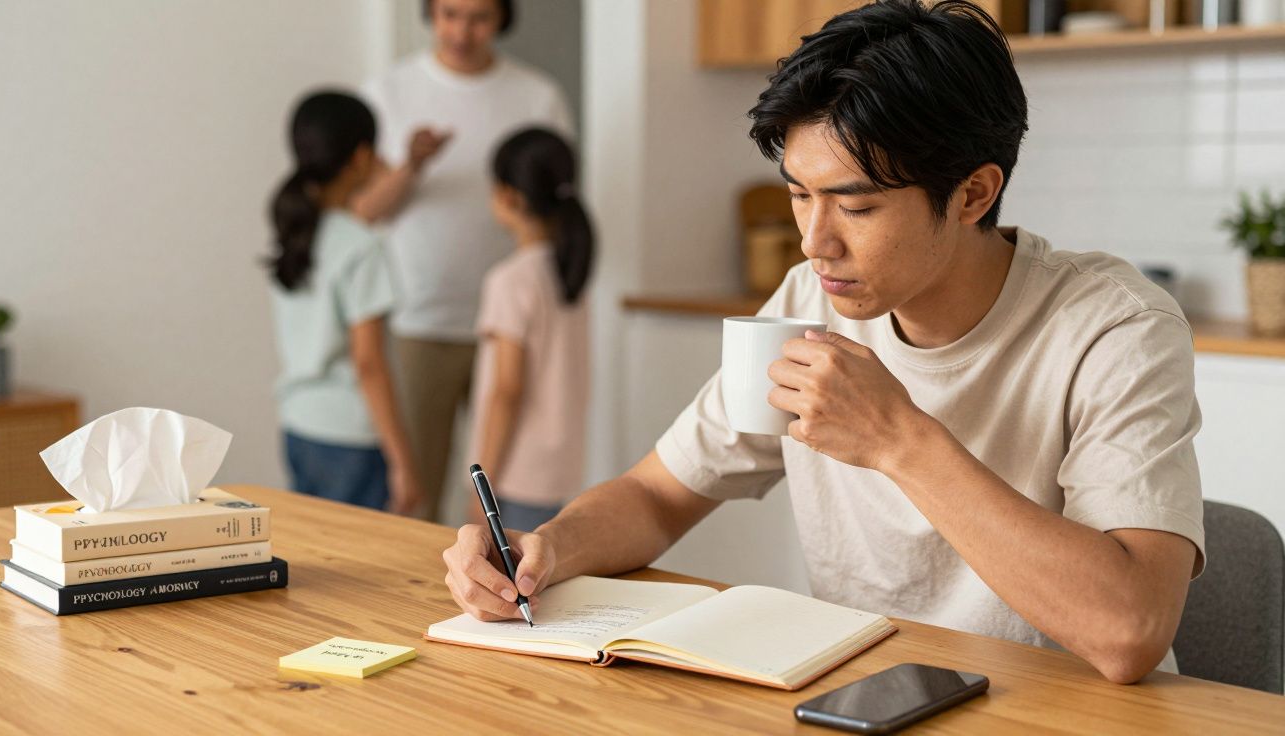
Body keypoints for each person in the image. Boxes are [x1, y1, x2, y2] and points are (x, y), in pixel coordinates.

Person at [441, 0, 1206, 685]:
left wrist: (899, 440)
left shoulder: (1115, 327)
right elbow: (657, 494)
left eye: (857, 208)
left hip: (1062, 711)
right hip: (869, 694)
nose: (814, 242)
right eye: (799, 195)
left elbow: (1129, 632)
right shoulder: (810, 300)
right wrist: (545, 550)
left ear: (974, 193)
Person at [354, 0, 573, 522]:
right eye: (450, 14)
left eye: (478, 18)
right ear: (430, 13)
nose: (462, 31)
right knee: (414, 497)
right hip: (419, 320)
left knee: (508, 498)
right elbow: (363, 211)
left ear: (502, 19)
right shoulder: (388, 92)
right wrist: (411, 165)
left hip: (512, 330)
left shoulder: (538, 96)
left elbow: (559, 204)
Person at [267, 91, 422, 515]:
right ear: (362, 157)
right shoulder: (360, 244)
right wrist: (403, 461)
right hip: (351, 437)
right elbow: (368, 363)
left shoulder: (293, 230)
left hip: (298, 424)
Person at [466, 128, 594, 532]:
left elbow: (507, 389)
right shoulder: (569, 272)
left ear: (507, 196)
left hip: (514, 473)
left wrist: (482, 484)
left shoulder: (510, 280)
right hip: (557, 466)